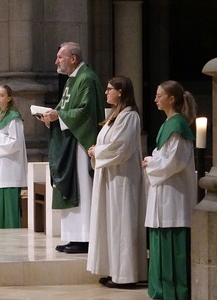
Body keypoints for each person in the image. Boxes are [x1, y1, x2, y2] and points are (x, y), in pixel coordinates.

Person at [39, 42, 105, 253]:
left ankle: (85, 238)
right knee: (70, 187)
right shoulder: (72, 80)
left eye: (60, 57)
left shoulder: (86, 78)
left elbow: (86, 112)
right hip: (69, 141)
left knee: (82, 188)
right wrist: (51, 114)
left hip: (80, 142)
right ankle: (73, 236)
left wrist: (60, 116)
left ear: (73, 58)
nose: (56, 61)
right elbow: (63, 107)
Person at [87, 76, 147, 288]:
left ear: (121, 92)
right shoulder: (116, 115)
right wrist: (96, 149)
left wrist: (97, 151)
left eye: (109, 89)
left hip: (122, 179)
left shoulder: (129, 116)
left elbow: (121, 147)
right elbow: (110, 142)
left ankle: (126, 275)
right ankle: (114, 269)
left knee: (121, 224)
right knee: (110, 224)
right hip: (110, 176)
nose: (106, 93)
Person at [142, 80, 197, 299]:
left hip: (174, 195)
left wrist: (151, 164)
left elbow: (175, 161)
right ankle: (161, 289)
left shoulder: (178, 126)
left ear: (171, 99)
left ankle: (175, 291)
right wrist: (152, 159)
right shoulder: (168, 124)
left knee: (173, 246)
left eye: (159, 95)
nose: (155, 99)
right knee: (159, 241)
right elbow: (161, 154)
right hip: (163, 192)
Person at [0, 85, 28, 229]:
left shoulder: (14, 117)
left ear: (9, 98)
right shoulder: (0, 116)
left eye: (1, 95)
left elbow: (16, 143)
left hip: (9, 168)